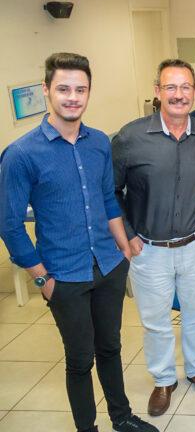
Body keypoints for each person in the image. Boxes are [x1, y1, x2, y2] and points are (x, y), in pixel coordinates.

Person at [0, 53, 156, 432]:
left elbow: (107, 199)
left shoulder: (100, 142)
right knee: (79, 360)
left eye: (80, 89)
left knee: (111, 348)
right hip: (63, 276)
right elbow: (9, 224)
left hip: (107, 265)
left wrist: (123, 250)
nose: (73, 97)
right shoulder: (21, 154)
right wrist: (42, 279)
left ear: (89, 92)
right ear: (46, 90)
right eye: (64, 88)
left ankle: (121, 417)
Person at [112, 59, 195, 416]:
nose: (178, 95)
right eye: (170, 87)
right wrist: (127, 236)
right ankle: (163, 379)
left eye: (185, 87)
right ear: (157, 92)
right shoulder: (129, 138)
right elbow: (110, 192)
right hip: (149, 249)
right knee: (155, 320)